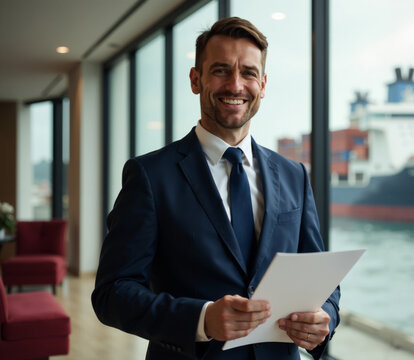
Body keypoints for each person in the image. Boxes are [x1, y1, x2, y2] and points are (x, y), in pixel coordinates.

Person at [91, 17, 340, 360]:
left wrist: (325, 317)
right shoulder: (150, 175)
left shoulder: (294, 174)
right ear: (196, 79)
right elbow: (112, 294)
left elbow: (320, 277)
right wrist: (202, 319)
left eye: (249, 73)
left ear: (263, 84)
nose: (236, 85)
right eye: (221, 70)